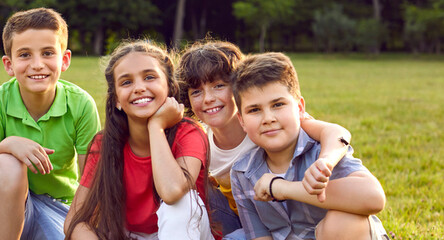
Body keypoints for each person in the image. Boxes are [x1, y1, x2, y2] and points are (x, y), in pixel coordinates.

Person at [177, 40, 354, 238]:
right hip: (241, 220)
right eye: (197, 92)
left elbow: (337, 133)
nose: (208, 98)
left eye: (219, 86)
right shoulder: (201, 139)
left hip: (281, 212)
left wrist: (326, 161)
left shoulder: (268, 126)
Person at [0, 7, 102, 239]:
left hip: (60, 207)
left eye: (48, 53)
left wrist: (79, 227)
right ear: (9, 64)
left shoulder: (81, 105)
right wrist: (6, 146)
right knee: (7, 162)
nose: (37, 64)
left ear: (65, 59)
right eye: (25, 55)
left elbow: (93, 181)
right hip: (4, 203)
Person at [65, 40, 214, 240]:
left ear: (170, 88)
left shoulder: (188, 132)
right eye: (126, 82)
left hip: (186, 232)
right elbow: (75, 220)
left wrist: (156, 127)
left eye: (149, 77)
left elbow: (171, 192)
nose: (139, 88)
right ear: (116, 99)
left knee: (181, 202)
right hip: (129, 236)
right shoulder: (104, 144)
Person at [230, 52, 388, 240]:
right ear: (241, 121)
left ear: (299, 108)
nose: (268, 119)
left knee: (341, 222)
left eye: (278, 104)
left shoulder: (322, 152)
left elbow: (374, 197)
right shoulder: (242, 173)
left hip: (342, 234)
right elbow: (259, 236)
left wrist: (283, 188)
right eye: (254, 110)